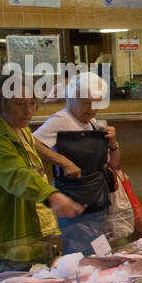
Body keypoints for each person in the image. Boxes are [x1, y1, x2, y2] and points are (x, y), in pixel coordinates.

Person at [0, 72, 83, 263]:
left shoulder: (20, 128)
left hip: (36, 233)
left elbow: (34, 149)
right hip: (10, 240)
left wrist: (61, 161)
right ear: (1, 103)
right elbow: (17, 175)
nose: (28, 111)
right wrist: (52, 195)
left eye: (32, 103)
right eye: (19, 103)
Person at [32, 71, 120, 255]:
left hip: (97, 199)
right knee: (79, 254)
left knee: (99, 252)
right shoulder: (61, 120)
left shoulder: (93, 123)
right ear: (71, 98)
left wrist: (113, 143)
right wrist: (63, 161)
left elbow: (114, 165)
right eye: (86, 102)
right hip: (74, 201)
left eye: (96, 102)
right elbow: (31, 143)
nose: (92, 108)